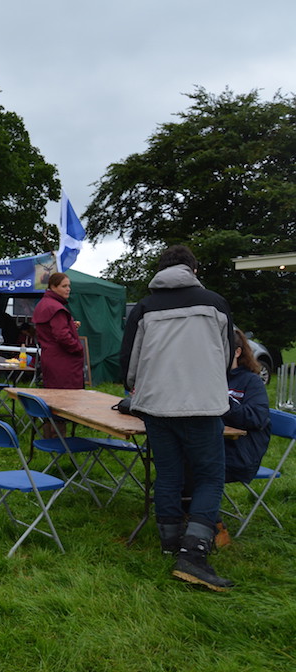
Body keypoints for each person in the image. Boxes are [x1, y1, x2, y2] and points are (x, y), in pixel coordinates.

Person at [121, 244, 234, 591]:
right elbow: (226, 355)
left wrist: (135, 388)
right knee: (209, 477)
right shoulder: (215, 303)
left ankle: (170, 543)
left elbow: (129, 361)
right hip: (202, 405)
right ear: (193, 270)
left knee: (168, 474)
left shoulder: (145, 307)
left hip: (156, 405)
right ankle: (194, 555)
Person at [222, 329, 271, 483]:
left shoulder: (251, 381)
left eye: (223, 349)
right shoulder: (215, 379)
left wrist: (222, 401)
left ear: (237, 352)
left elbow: (256, 418)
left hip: (240, 456)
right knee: (174, 464)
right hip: (213, 448)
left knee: (191, 470)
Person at [32, 272, 84, 389]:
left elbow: (49, 330)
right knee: (66, 397)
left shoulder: (43, 304)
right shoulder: (56, 308)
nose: (68, 289)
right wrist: (78, 348)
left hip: (49, 357)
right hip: (63, 361)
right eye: (64, 286)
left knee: (53, 394)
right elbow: (62, 336)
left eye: (69, 286)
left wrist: (70, 326)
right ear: (53, 287)